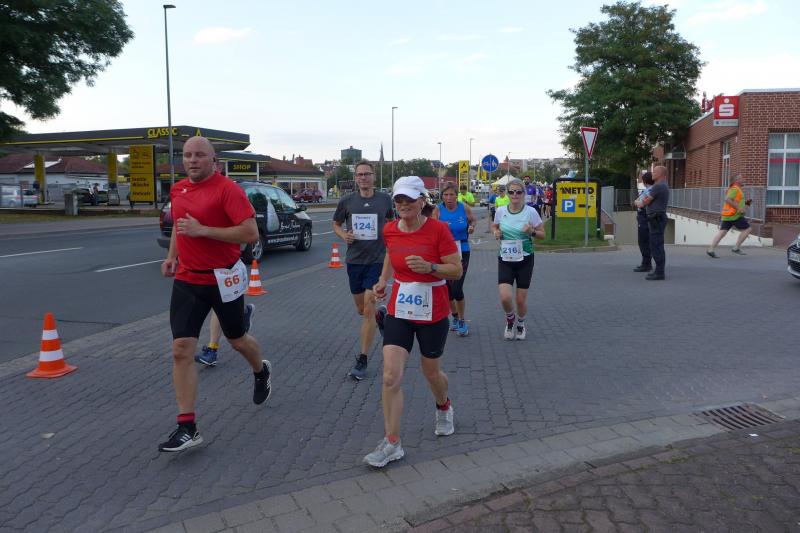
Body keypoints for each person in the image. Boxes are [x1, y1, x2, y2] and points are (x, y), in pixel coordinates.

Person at [159, 136, 271, 453]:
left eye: (199, 155)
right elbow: (181, 227)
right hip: (188, 279)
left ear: (213, 161)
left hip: (223, 278)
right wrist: (172, 256)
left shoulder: (228, 190)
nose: (192, 160)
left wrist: (204, 230)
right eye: (187, 155)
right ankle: (188, 427)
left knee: (237, 341)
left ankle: (260, 370)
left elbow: (250, 233)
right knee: (181, 349)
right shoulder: (178, 190)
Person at [364, 176, 463, 468]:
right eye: (399, 199)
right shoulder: (390, 230)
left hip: (433, 310)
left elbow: (456, 269)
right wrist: (382, 281)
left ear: (422, 201)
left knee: (431, 372)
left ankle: (443, 406)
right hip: (401, 309)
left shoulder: (438, 230)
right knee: (390, 375)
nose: (404, 204)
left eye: (409, 199)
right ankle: (392, 442)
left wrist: (431, 267)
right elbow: (389, 255)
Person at [333, 160, 394, 381]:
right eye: (359, 175)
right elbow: (336, 224)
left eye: (367, 174)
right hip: (355, 261)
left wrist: (391, 241)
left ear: (373, 176)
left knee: (367, 309)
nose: (363, 178)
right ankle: (380, 316)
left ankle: (362, 358)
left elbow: (392, 223)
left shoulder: (385, 200)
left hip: (377, 261)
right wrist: (344, 235)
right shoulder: (347, 201)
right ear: (355, 178)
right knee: (361, 309)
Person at [492, 178, 544, 340]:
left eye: (518, 192)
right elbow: (495, 225)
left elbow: (542, 234)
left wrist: (532, 232)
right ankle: (510, 320)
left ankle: (520, 323)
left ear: (523, 193)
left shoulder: (531, 212)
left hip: (525, 260)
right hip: (505, 259)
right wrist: (496, 232)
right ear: (507, 194)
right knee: (505, 297)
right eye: (511, 192)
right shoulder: (501, 211)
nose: (515, 194)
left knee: (520, 300)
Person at [436, 183, 476, 336]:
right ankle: (454, 316)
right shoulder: (437, 210)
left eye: (452, 194)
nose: (449, 198)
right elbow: (431, 227)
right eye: (446, 195)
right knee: (447, 289)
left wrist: (471, 227)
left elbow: (472, 220)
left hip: (462, 249)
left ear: (456, 195)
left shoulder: (463, 207)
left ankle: (462, 319)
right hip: (443, 252)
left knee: (457, 288)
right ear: (442, 196)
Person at [634, 165, 669, 280]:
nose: (652, 174)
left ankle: (659, 272)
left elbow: (644, 202)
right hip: (657, 218)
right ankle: (658, 271)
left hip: (656, 218)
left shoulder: (658, 186)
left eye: (655, 172)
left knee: (656, 246)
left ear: (661, 174)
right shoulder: (663, 185)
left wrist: (640, 203)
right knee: (657, 245)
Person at [707, 175, 752, 258]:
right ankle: (736, 248)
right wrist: (739, 208)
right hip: (735, 215)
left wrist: (747, 203)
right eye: (741, 178)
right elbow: (727, 199)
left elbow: (736, 202)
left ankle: (711, 250)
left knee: (722, 233)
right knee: (747, 229)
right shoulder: (735, 189)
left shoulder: (736, 189)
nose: (744, 179)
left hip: (728, 215)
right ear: (737, 180)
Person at [633, 171, 655, 272]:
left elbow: (639, 203)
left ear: (645, 181)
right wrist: (637, 201)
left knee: (643, 241)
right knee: (645, 240)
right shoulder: (648, 190)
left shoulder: (649, 191)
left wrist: (637, 202)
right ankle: (646, 263)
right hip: (644, 216)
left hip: (644, 216)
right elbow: (638, 200)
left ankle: (646, 264)